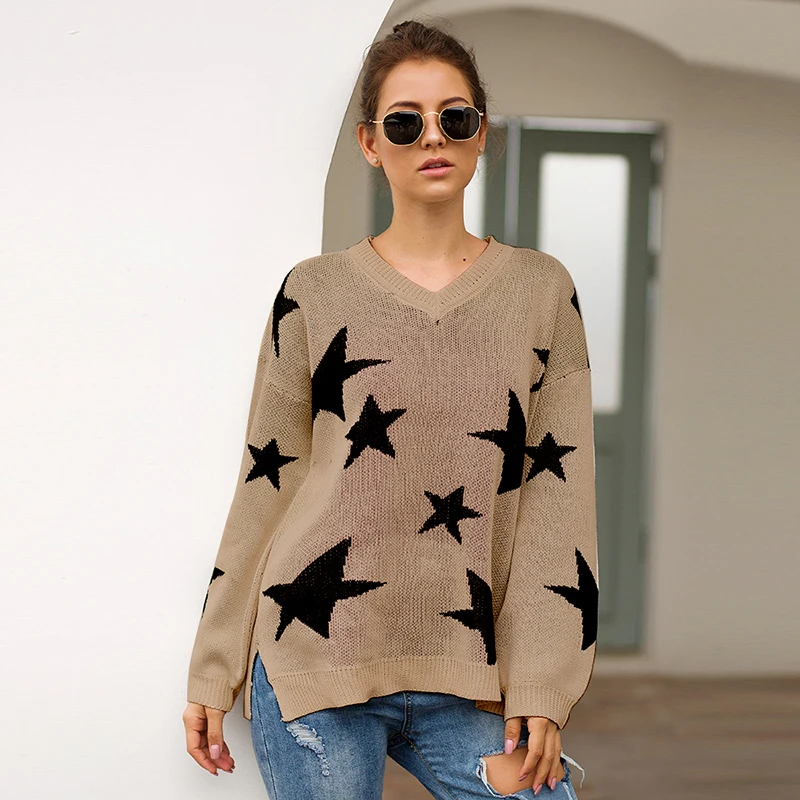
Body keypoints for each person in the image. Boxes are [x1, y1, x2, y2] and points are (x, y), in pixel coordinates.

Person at [182, 18, 597, 800]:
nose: (432, 137)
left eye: (455, 118)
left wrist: (543, 684)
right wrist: (215, 666)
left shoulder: (541, 292)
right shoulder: (313, 292)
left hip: (468, 674)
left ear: (481, 134)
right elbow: (268, 481)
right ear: (371, 144)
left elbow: (557, 506)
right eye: (405, 123)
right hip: (315, 658)